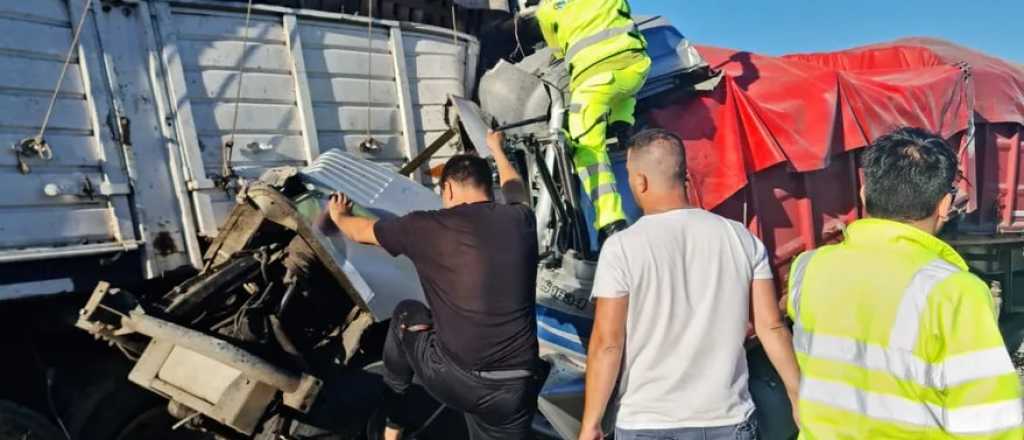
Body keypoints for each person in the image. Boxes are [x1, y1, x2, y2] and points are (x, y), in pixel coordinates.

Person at [787, 127, 1024, 438]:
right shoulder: (954, 291)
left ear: (863, 192)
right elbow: (989, 423)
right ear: (944, 205)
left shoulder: (809, 268)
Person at [579, 129, 802, 440]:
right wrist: (796, 394)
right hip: (728, 419)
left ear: (640, 181)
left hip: (648, 423)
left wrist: (592, 423)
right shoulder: (740, 238)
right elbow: (772, 328)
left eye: (629, 175)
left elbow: (607, 344)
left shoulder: (622, 248)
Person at [326, 131, 542, 440]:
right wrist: (497, 149)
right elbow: (515, 188)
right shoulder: (521, 219)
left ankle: (393, 425)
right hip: (516, 388)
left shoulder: (425, 227)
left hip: (458, 379)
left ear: (449, 188)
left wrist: (340, 215)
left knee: (406, 314)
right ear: (489, 190)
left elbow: (360, 232)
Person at [534, 0, 651, 240]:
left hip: (594, 79)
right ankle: (621, 122)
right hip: (636, 67)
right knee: (622, 90)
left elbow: (556, 50)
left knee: (586, 147)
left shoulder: (546, 9)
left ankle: (610, 221)